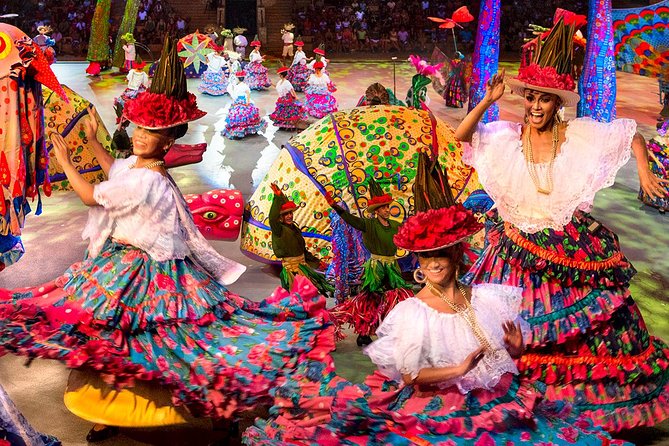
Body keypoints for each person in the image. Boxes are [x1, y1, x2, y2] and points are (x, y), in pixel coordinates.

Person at [0, 39, 332, 444]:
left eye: (150, 132)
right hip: (124, 261)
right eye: (138, 127)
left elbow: (93, 195)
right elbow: (118, 169)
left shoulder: (146, 179)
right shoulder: (141, 168)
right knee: (122, 337)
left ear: (168, 141)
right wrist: (89, 142)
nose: (139, 136)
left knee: (166, 342)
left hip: (149, 271)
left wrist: (66, 161)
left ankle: (206, 406)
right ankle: (113, 410)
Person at [243, 153, 627, 446]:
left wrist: (516, 347)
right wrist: (457, 370)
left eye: (440, 256)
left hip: (496, 398)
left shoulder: (487, 298)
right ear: (419, 265)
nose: (433, 265)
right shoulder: (413, 313)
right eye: (427, 259)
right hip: (441, 405)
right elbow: (411, 376)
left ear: (457, 256)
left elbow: (503, 360)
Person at [454, 19, 669, 431]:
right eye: (531, 98)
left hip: (565, 247)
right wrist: (487, 100)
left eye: (545, 100)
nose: (535, 106)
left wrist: (643, 174)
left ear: (558, 104)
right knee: (503, 329)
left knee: (584, 329)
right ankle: (514, 398)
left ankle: (567, 404)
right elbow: (463, 136)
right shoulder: (505, 136)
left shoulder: (576, 135)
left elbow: (631, 135)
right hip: (514, 248)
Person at [326, 178, 413, 347]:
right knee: (370, 300)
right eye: (383, 208)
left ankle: (394, 331)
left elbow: (407, 236)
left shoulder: (395, 225)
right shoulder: (369, 224)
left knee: (397, 298)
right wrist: (336, 207)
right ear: (376, 211)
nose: (387, 210)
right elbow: (351, 220)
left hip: (392, 267)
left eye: (388, 207)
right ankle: (363, 333)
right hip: (375, 268)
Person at [269, 183, 334, 298]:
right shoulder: (278, 229)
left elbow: (303, 251)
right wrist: (277, 198)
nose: (289, 216)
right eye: (286, 214)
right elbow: (272, 218)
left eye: (290, 213)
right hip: (291, 271)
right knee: (297, 297)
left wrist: (318, 263)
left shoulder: (295, 229)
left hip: (303, 268)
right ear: (280, 217)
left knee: (310, 294)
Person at [222, 70, 267, 139]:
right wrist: (248, 102)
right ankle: (246, 129)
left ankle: (240, 130)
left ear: (238, 78)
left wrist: (247, 102)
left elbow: (243, 94)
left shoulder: (240, 86)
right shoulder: (244, 85)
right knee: (246, 115)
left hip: (240, 101)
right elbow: (248, 93)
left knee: (238, 114)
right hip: (243, 101)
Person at [269, 66, 308, 130]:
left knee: (288, 112)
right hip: (282, 99)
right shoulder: (280, 82)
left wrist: (296, 97)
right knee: (283, 112)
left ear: (281, 75)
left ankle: (289, 124)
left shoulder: (287, 82)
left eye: (279, 74)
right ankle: (284, 124)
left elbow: (291, 90)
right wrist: (272, 84)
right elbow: (277, 87)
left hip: (287, 99)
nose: (279, 75)